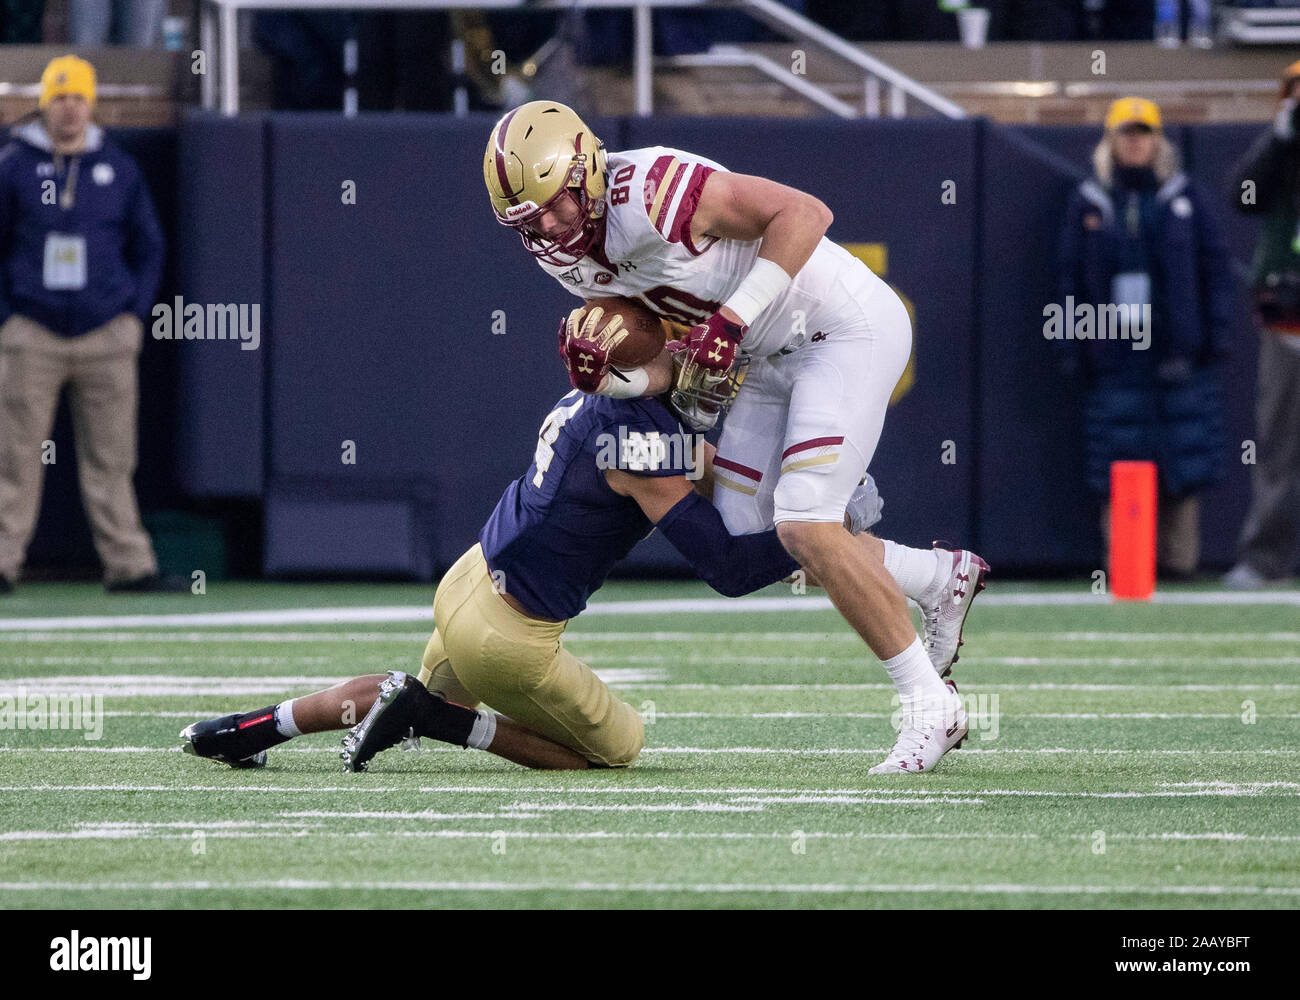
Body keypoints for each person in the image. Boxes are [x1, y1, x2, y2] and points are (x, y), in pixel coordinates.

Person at [483, 101, 986, 775]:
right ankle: (936, 575)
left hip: (841, 328)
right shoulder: (567, 261)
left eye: (552, 205)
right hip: (765, 358)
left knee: (806, 523)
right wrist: (615, 383)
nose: (545, 225)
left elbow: (805, 213)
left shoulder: (657, 191)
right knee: (751, 533)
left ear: (586, 170)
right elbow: (676, 357)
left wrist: (731, 318)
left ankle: (931, 705)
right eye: (527, 219)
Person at [179, 348, 916, 772]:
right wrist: (820, 530)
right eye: (684, 359)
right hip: (510, 635)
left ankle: (250, 730)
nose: (706, 378)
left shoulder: (599, 404)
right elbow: (722, 566)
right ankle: (434, 722)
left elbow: (700, 463)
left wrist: (807, 501)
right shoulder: (639, 443)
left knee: (417, 688)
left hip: (468, 581)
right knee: (613, 754)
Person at [0, 55, 182, 594]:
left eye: (78, 97)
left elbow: (149, 245)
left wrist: (133, 314)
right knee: (15, 455)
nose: (69, 108)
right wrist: (7, 318)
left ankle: (129, 565)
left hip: (106, 333)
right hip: (32, 331)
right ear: (44, 104)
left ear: (91, 103)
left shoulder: (118, 166)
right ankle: (3, 560)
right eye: (59, 98)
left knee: (113, 458)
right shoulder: (13, 163)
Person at [1057, 96, 1235, 579]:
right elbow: (1069, 280)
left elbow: (1214, 272)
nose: (1135, 141)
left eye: (1143, 132)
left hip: (1178, 353)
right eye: (1126, 133)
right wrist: (1075, 347)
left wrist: (1212, 339)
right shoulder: (1090, 200)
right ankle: (1127, 565)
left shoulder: (1185, 198)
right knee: (1119, 457)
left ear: (1158, 140)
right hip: (1114, 353)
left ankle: (1180, 565)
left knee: (1183, 456)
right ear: (1110, 140)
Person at [1224, 61, 1300, 589]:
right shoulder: (1282, 151)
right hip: (1289, 320)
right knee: (1278, 445)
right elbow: (1242, 193)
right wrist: (1282, 138)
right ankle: (1265, 558)